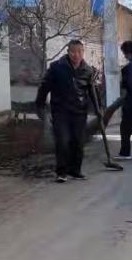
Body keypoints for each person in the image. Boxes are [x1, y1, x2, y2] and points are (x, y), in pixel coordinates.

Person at [36, 39, 96, 182]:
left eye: (80, 51)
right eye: (73, 51)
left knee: (78, 142)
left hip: (79, 112)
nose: (77, 55)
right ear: (68, 52)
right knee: (63, 141)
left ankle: (75, 171)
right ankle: (61, 172)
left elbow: (92, 91)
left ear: (83, 52)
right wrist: (40, 104)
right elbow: (45, 86)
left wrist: (98, 108)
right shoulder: (57, 67)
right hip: (60, 111)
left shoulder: (87, 70)